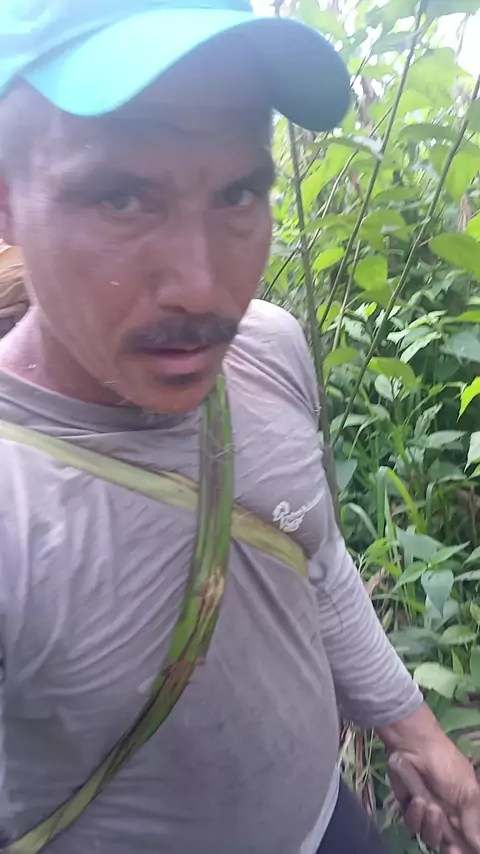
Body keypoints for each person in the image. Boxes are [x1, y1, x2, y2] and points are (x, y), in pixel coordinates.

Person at [0, 1, 478, 853]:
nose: (203, 285)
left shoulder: (266, 349)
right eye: (121, 196)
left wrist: (414, 729)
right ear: (5, 200)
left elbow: (311, 557)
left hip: (328, 823)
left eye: (237, 193)